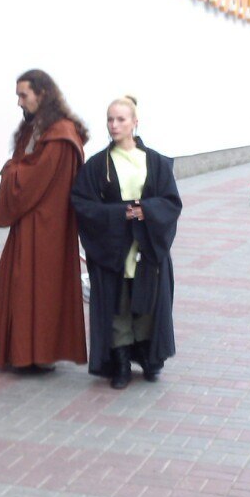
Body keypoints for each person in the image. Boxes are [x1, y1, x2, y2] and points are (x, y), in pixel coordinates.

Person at [0, 69, 89, 371]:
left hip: (47, 228)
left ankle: (36, 355)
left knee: (35, 289)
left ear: (42, 94)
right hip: (30, 222)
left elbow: (31, 179)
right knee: (16, 287)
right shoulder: (39, 128)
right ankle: (8, 347)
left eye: (23, 95)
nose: (19, 102)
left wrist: (10, 172)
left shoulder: (60, 135)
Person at [71, 96, 182, 389]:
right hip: (114, 246)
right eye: (110, 119)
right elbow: (82, 204)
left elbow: (171, 202)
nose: (114, 125)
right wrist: (120, 213)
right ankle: (120, 362)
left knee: (148, 302)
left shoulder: (156, 162)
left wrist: (147, 210)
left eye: (121, 119)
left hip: (147, 245)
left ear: (135, 122)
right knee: (118, 304)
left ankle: (148, 357)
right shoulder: (98, 165)